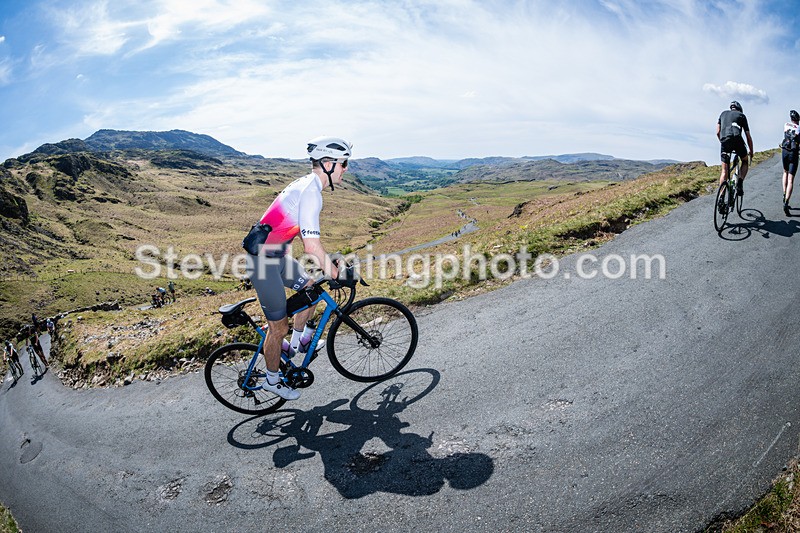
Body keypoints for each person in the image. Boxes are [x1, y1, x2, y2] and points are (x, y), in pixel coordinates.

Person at [247, 136, 352, 400]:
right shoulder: (311, 193)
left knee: (311, 289)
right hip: (263, 264)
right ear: (328, 164)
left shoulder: (308, 185)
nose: (346, 169)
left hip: (277, 259)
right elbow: (311, 247)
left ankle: (299, 341)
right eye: (344, 164)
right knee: (277, 327)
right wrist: (337, 274)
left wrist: (329, 268)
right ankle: (272, 380)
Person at [716, 101, 754, 195]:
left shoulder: (723, 114)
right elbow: (748, 136)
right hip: (737, 140)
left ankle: (721, 196)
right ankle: (740, 183)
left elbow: (717, 132)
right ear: (739, 109)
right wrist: (751, 151)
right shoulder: (741, 115)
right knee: (745, 161)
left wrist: (723, 142)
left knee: (724, 171)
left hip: (725, 140)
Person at [781, 110, 800, 215]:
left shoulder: (786, 125)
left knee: (785, 172)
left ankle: (784, 193)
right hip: (793, 153)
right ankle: (786, 201)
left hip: (784, 151)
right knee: (791, 179)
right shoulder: (799, 128)